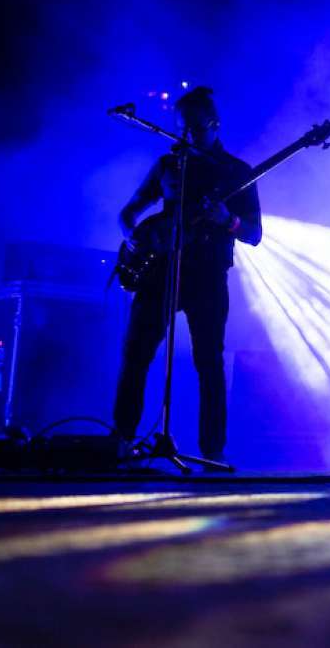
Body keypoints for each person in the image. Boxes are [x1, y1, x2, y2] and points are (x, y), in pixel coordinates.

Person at [112, 86, 261, 461]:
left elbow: (255, 234)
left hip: (208, 276)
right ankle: (122, 441)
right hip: (159, 272)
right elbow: (128, 213)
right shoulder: (168, 165)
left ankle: (212, 451)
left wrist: (228, 220)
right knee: (136, 355)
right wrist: (133, 239)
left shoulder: (237, 174)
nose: (186, 135)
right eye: (181, 128)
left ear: (214, 124)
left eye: (194, 128)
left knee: (209, 361)